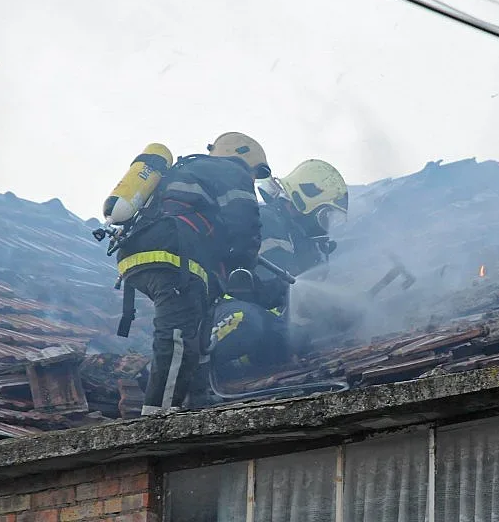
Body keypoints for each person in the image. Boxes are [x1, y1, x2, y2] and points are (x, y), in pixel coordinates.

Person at [115, 132, 268, 416]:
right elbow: (245, 222)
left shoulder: (187, 171)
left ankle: (197, 404)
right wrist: (244, 265)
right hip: (174, 255)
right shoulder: (231, 170)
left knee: (196, 334)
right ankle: (157, 417)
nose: (252, 179)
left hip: (139, 254)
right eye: (254, 173)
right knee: (177, 335)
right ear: (245, 159)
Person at [208, 159, 349, 380]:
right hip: (222, 311)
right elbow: (271, 284)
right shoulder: (265, 220)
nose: (326, 224)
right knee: (245, 321)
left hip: (265, 322)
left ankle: (231, 373)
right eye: (325, 215)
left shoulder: (304, 243)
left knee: (296, 338)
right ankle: (186, 369)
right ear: (305, 199)